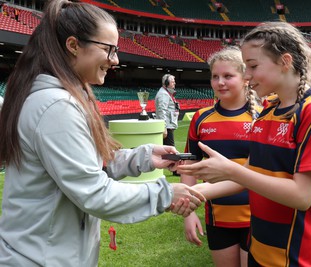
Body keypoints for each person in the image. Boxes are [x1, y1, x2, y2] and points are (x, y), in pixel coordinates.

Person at [0, 1, 205, 266]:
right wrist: (165, 194)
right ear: (73, 45)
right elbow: (94, 193)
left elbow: (87, 165)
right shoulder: (56, 106)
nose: (116, 60)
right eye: (108, 49)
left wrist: (143, 157)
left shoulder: (60, 97)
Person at [178, 21, 311, 266]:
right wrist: (190, 195)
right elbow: (249, 174)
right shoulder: (267, 113)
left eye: (253, 66)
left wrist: (230, 169)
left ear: (285, 62)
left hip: (297, 255)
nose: (246, 76)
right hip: (260, 249)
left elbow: (302, 196)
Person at [181, 46, 261, 267]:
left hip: (257, 218)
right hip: (218, 218)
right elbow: (190, 166)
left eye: (228, 76)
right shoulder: (201, 118)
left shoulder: (261, 117)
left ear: (245, 78)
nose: (220, 82)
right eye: (215, 76)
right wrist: (188, 212)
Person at [155, 73, 180, 175]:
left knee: (166, 148)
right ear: (166, 83)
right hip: (167, 126)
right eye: (172, 81)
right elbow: (162, 111)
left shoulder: (166, 93)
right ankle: (175, 170)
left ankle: (172, 168)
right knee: (171, 148)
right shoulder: (163, 94)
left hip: (169, 124)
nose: (174, 83)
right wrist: (164, 127)